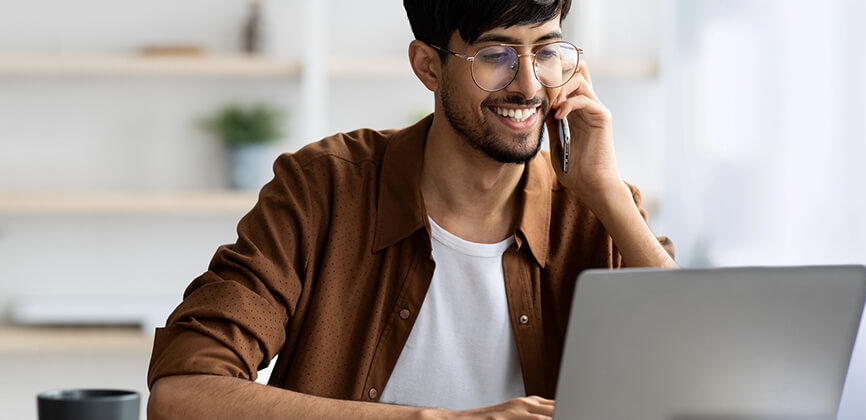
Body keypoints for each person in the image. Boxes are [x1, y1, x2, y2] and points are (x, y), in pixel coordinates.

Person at [146, 1, 675, 419]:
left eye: (547, 51)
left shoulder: (596, 208)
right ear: (428, 66)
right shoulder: (323, 188)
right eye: (496, 55)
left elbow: (701, 380)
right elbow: (183, 395)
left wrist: (605, 191)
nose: (530, 84)